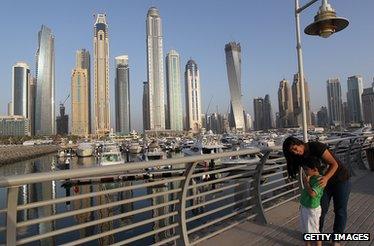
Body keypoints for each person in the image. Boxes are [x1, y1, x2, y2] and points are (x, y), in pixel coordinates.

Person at [283, 136, 351, 246]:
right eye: (292, 152)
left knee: (340, 210)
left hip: (340, 179)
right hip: (321, 184)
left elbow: (334, 164)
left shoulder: (316, 147)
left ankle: (336, 240)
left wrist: (326, 178)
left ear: (299, 143)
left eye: (295, 149)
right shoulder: (300, 157)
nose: (296, 152)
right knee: (321, 210)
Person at [299, 157, 324, 246]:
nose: (305, 171)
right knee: (306, 230)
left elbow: (313, 194)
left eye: (306, 169)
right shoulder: (311, 177)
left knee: (314, 232)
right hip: (304, 206)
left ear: (315, 169)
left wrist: (306, 184)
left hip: (311, 209)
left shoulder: (320, 180)